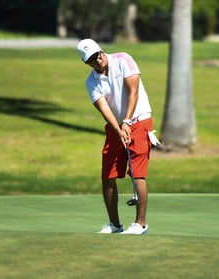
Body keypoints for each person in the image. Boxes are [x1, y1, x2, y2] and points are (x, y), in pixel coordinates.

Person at [77, 38, 160, 234]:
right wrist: (119, 129)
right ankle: (114, 224)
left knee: (138, 173)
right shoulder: (91, 82)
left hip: (139, 120)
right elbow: (104, 109)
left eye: (98, 55)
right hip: (116, 126)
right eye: (91, 59)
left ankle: (140, 224)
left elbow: (134, 93)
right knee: (108, 174)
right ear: (86, 63)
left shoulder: (123, 59)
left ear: (101, 51)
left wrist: (127, 122)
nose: (98, 60)